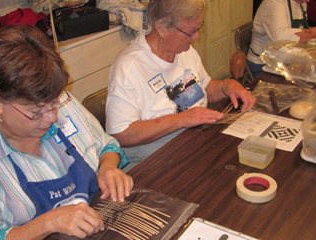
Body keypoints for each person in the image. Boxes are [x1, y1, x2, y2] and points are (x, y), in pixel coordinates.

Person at [0, 25, 133, 240]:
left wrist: (108, 167)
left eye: (55, 103)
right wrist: (50, 222)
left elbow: (106, 146)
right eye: (36, 112)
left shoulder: (53, 102)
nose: (52, 117)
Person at [105, 0, 256, 171]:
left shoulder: (184, 50)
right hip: (153, 163)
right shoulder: (129, 68)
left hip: (193, 144)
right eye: (190, 32)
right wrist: (182, 119)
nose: (196, 37)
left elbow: (204, 88)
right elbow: (121, 134)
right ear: (161, 28)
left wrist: (226, 86)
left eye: (198, 28)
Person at [247, 0, 316, 78]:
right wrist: (315, 34)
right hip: (264, 65)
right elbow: (280, 36)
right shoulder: (274, 3)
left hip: (287, 60)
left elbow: (301, 30)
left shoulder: (301, 4)